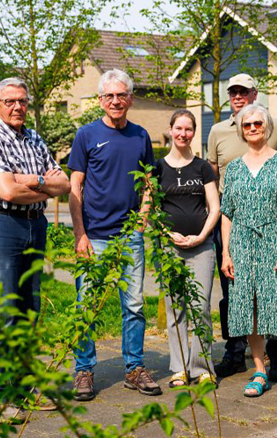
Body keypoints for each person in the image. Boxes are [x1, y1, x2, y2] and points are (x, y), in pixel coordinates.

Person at [0, 78, 71, 420]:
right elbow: (7, 193)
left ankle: (24, 387)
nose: (18, 107)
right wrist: (42, 185)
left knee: (29, 309)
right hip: (1, 225)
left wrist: (29, 179)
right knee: (4, 309)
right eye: (10, 101)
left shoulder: (34, 138)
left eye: (23, 101)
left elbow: (63, 184)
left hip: (34, 225)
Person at [208, 73, 277, 382]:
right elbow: (214, 181)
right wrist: (218, 230)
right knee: (242, 302)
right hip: (237, 232)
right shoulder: (219, 134)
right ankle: (245, 361)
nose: (238, 96)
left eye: (243, 91)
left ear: (255, 94)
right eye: (233, 91)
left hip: (273, 233)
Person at [67, 69, 161, 401]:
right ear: (100, 100)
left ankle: (134, 368)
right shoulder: (86, 135)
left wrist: (143, 217)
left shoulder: (140, 136)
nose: (116, 101)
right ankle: (83, 370)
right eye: (109, 95)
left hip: (129, 237)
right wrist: (80, 234)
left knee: (134, 305)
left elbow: (149, 182)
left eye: (121, 95)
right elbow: (75, 186)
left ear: (131, 99)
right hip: (93, 235)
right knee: (86, 305)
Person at [220, 103, 277, 405]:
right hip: (241, 244)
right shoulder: (233, 168)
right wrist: (226, 253)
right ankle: (259, 372)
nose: (253, 128)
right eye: (247, 125)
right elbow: (227, 213)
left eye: (258, 123)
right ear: (241, 130)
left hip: (274, 241)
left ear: (267, 126)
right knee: (250, 309)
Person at [153, 110, 220, 389]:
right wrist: (167, 233)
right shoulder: (157, 168)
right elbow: (151, 209)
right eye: (178, 128)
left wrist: (201, 236)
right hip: (169, 248)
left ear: (194, 132)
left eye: (188, 129)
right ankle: (179, 368)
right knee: (175, 307)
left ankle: (201, 367)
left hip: (201, 247)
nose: (183, 134)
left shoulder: (202, 167)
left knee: (200, 306)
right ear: (170, 130)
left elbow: (214, 207)